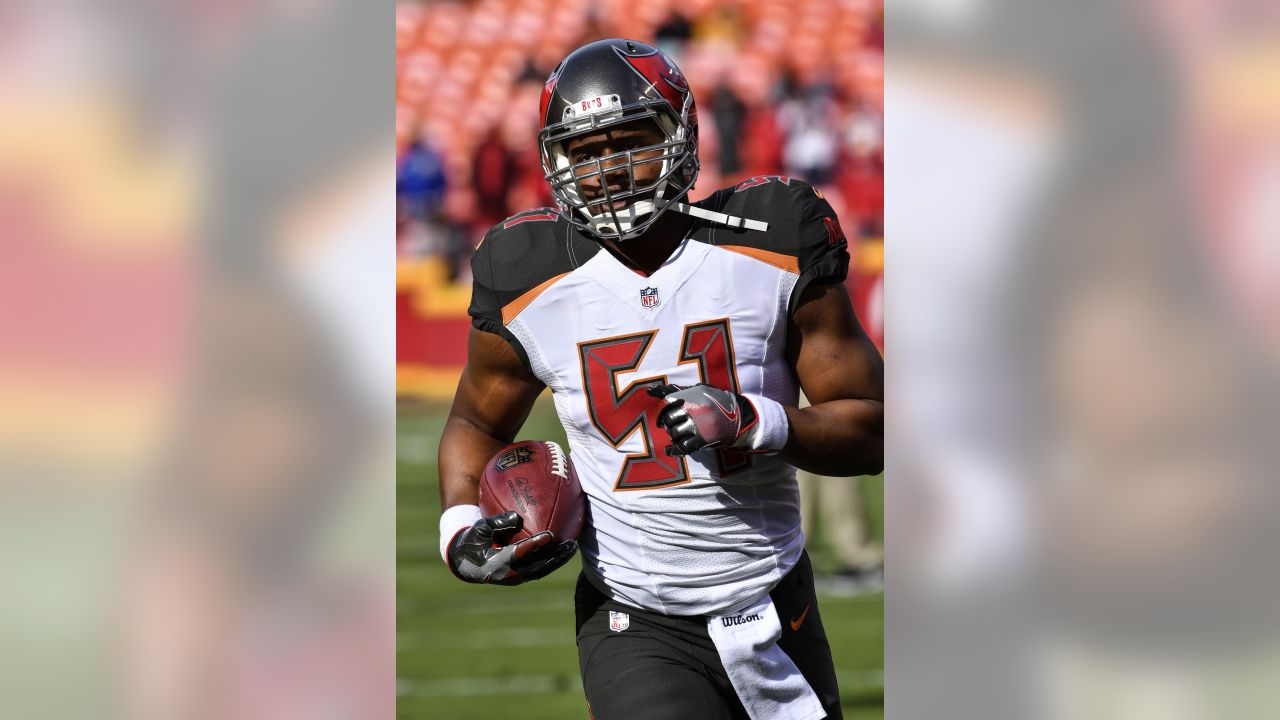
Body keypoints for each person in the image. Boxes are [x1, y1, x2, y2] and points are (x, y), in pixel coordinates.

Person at [436, 38, 883, 720]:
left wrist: (756, 420)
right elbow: (475, 422)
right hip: (635, 617)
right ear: (555, 162)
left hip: (774, 600)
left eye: (631, 141)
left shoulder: (772, 239)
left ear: (681, 135)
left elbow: (874, 427)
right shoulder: (526, 272)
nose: (609, 169)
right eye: (585, 151)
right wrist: (460, 522)